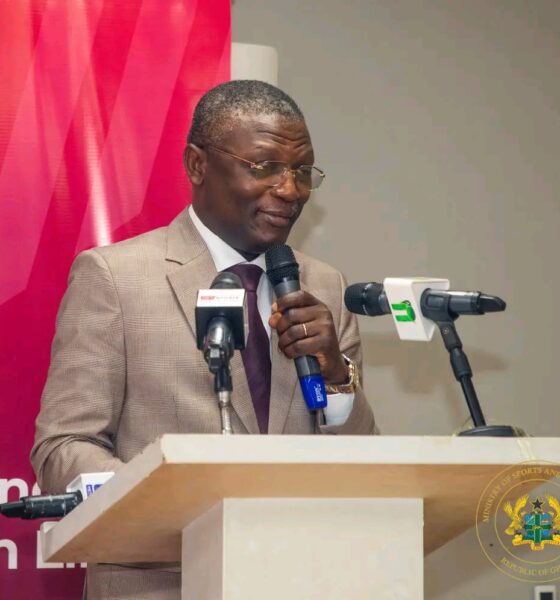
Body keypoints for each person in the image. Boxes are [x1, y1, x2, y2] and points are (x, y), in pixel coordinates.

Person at [31, 80, 376, 599]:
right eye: (265, 167)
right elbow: (62, 448)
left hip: (301, 579)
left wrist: (336, 378)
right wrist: (173, 504)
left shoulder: (325, 286)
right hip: (161, 583)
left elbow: (362, 462)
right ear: (198, 165)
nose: (289, 190)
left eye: (302, 171)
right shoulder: (116, 278)